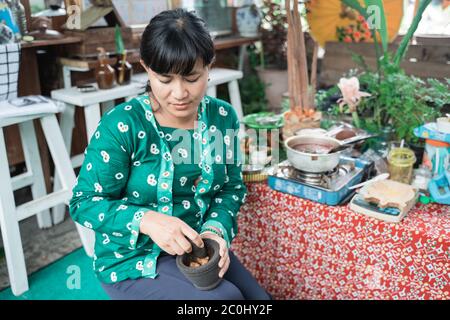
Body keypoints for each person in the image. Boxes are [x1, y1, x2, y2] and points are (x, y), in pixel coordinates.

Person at [69, 8, 271, 300]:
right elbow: (83, 202)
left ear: (209, 67)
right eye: (165, 80)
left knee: (259, 301)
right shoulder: (122, 124)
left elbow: (230, 186)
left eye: (191, 78)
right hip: (131, 259)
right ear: (147, 68)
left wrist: (216, 230)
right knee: (224, 300)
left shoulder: (221, 117)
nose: (179, 93)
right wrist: (146, 220)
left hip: (197, 249)